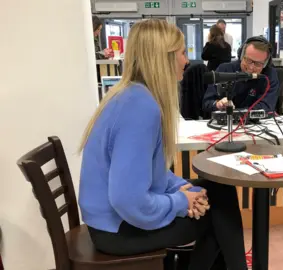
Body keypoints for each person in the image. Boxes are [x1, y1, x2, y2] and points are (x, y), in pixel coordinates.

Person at [78, 19, 247, 270]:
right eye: (181, 53)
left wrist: (185, 189)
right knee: (218, 214)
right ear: (163, 58)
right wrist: (181, 202)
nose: (186, 61)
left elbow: (150, 173)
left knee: (219, 192)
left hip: (109, 221)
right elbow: (128, 200)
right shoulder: (140, 108)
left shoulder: (130, 95)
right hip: (117, 230)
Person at [202, 36, 279, 113]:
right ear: (241, 56)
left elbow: (266, 106)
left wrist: (236, 112)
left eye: (258, 64)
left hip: (255, 123)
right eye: (248, 60)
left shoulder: (269, 75)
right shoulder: (224, 69)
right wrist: (217, 104)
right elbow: (207, 103)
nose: (251, 68)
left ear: (265, 64)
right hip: (224, 123)